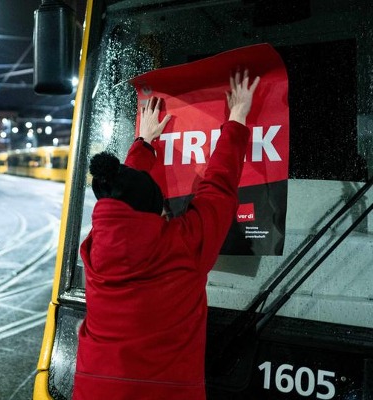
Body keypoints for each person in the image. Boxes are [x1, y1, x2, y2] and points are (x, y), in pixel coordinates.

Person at [72, 69, 260, 400]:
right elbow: (218, 189)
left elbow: (127, 197)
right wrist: (238, 117)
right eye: (162, 209)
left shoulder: (96, 250)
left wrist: (144, 143)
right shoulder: (183, 247)